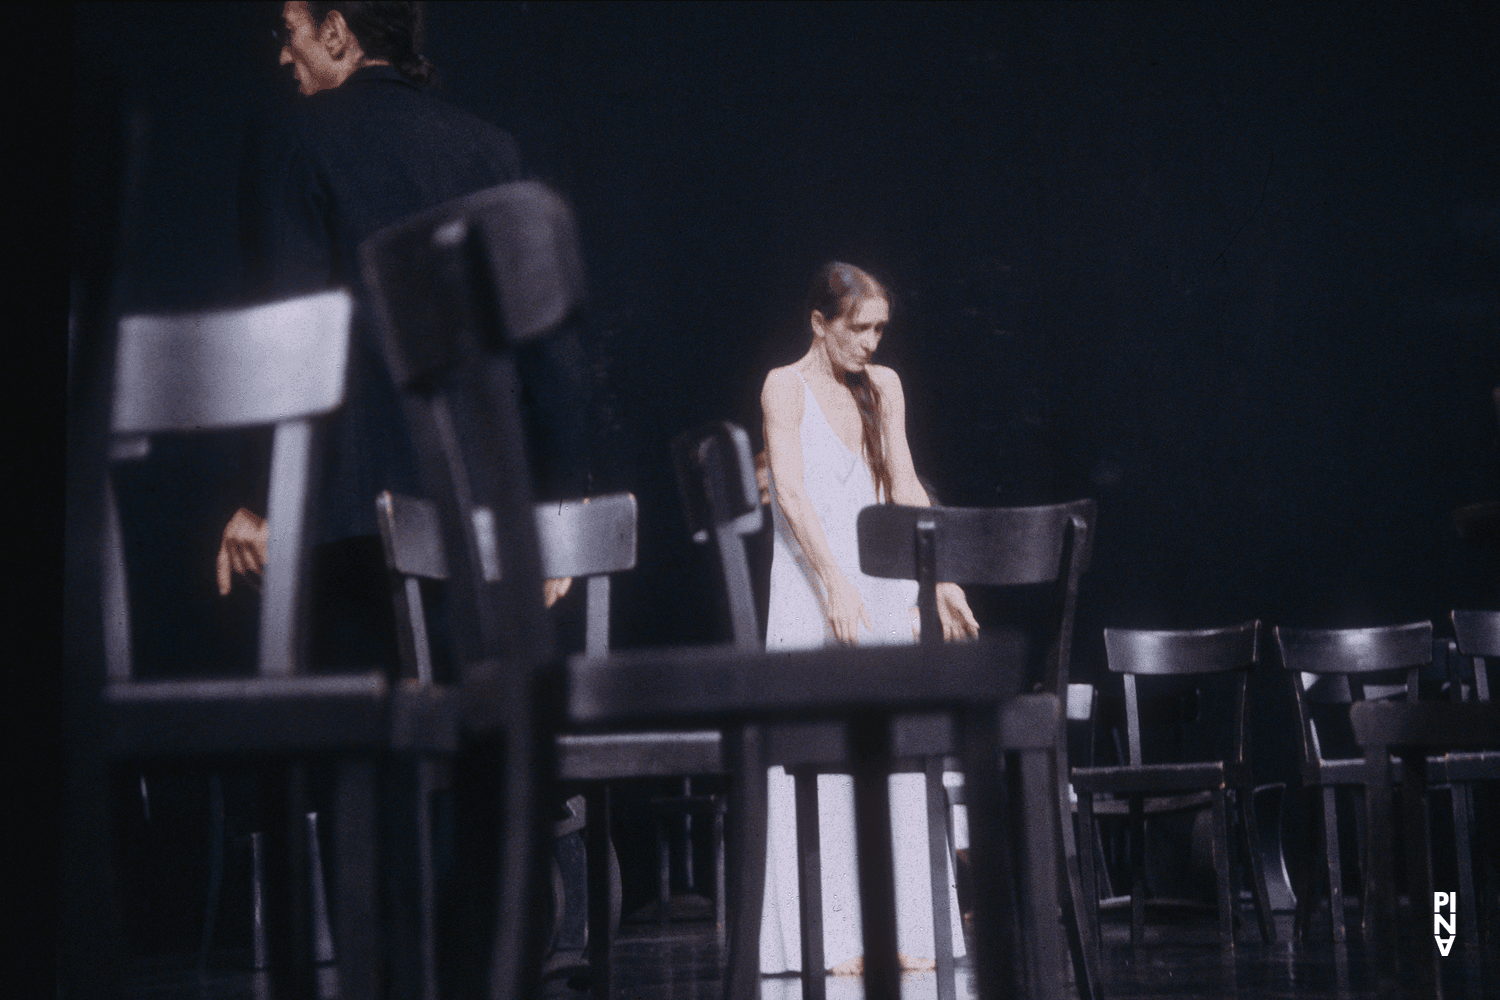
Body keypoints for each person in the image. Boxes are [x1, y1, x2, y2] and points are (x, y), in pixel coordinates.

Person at [218, 1, 581, 640]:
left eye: (289, 31)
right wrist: (552, 507)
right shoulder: (491, 151)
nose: (280, 54)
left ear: (335, 32)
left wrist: (259, 500)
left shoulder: (291, 137)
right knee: (476, 730)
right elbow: (539, 352)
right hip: (487, 534)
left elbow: (286, 333)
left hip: (344, 531)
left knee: (353, 734)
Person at [758, 262, 979, 975]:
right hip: (813, 583)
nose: (872, 343)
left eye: (881, 328)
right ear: (819, 323)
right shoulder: (783, 386)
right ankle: (831, 937)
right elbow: (789, 493)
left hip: (883, 583)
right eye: (859, 328)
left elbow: (906, 485)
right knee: (822, 755)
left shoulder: (885, 387)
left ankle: (907, 927)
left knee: (895, 752)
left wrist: (939, 579)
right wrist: (831, 585)